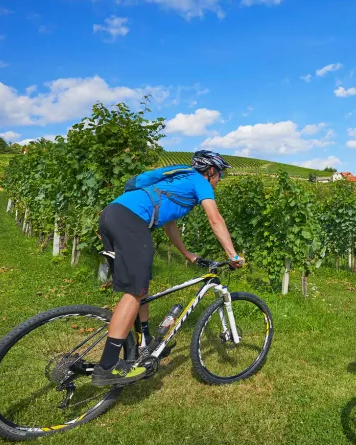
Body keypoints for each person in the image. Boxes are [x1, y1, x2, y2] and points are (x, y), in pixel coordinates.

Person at [92, 150, 245, 387]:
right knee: (133, 292)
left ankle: (145, 341)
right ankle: (107, 367)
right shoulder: (198, 181)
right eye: (219, 175)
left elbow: (168, 222)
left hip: (113, 215)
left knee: (140, 286)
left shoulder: (178, 182)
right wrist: (232, 255)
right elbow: (215, 219)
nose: (219, 181)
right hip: (130, 220)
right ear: (211, 171)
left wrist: (186, 254)